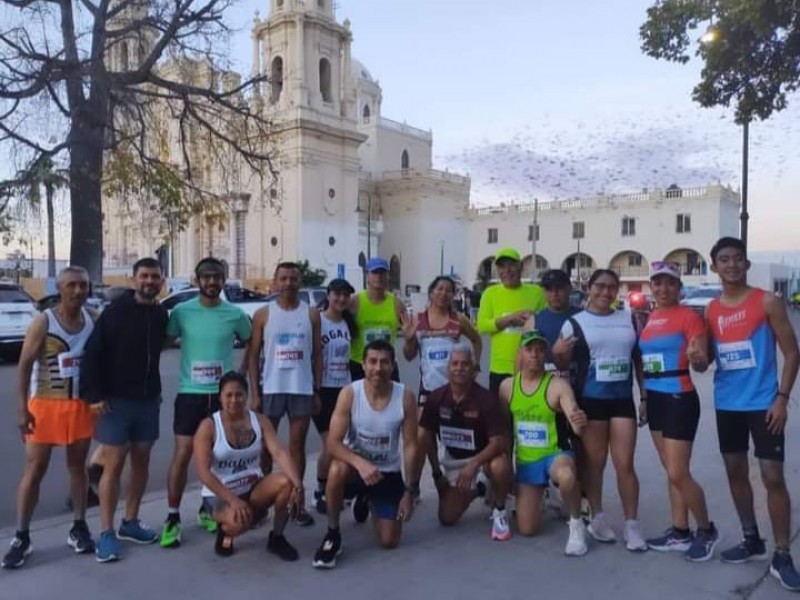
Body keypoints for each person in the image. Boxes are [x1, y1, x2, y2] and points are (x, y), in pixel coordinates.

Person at [706, 237, 800, 591]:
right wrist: (699, 357)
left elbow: (792, 352)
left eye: (738, 259)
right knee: (735, 472)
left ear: (746, 265)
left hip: (764, 404)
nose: (731, 265)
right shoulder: (711, 309)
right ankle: (751, 538)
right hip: (726, 404)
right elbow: (711, 357)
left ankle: (781, 554)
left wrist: (782, 398)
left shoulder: (767, 301)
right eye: (724, 259)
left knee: (773, 477)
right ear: (714, 266)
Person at [2, 267, 98, 569]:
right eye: (72, 285)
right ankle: (21, 536)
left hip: (80, 405)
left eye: (83, 285)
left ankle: (79, 527)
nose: (78, 291)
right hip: (44, 404)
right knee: (35, 469)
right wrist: (22, 408)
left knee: (78, 469)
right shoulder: (44, 322)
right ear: (60, 288)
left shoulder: (92, 318)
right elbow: (24, 365)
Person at [158, 257, 252, 548]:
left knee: (215, 456)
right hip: (190, 393)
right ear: (197, 280)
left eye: (217, 277)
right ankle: (172, 517)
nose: (212, 282)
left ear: (224, 279)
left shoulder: (234, 314)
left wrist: (242, 373)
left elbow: (252, 340)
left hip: (223, 397)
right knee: (184, 453)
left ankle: (206, 509)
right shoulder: (181, 312)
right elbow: (163, 341)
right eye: (207, 277)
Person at [80, 258, 169, 562]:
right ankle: (105, 532)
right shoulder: (115, 313)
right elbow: (93, 355)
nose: (149, 281)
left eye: (154, 277)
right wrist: (94, 395)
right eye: (144, 276)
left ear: (162, 281)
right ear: (134, 280)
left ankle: (129, 522)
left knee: (142, 461)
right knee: (114, 465)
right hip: (115, 402)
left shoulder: (160, 313)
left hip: (148, 401)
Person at [553, 269, 647, 552]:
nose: (605, 292)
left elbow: (638, 361)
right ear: (590, 288)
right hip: (590, 401)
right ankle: (597, 516)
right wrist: (558, 351)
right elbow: (561, 363)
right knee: (594, 464)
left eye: (611, 287)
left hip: (622, 401)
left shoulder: (629, 319)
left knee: (625, 464)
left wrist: (644, 396)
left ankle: (632, 525)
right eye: (600, 286)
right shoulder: (575, 323)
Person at [637, 261, 720, 561]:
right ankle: (680, 531)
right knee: (670, 472)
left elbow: (700, 360)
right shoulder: (651, 317)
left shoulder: (689, 317)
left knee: (678, 471)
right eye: (657, 283)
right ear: (651, 287)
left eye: (670, 283)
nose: (663, 288)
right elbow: (646, 363)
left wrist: (698, 358)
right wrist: (645, 399)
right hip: (656, 399)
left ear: (679, 287)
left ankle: (707, 530)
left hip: (679, 396)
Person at [312, 340, 419, 569]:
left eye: (384, 362)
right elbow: (332, 442)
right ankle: (333, 533)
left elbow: (411, 446)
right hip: (355, 468)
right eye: (372, 361)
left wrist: (410, 491)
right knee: (336, 468)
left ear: (393, 366)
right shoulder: (350, 394)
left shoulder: (405, 397)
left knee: (390, 541)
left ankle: (369, 500)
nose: (378, 368)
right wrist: (359, 463)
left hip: (386, 473)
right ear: (363, 364)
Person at [194, 371, 302, 559]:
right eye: (229, 395)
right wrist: (232, 500)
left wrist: (299, 485)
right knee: (239, 521)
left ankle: (277, 537)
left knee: (287, 482)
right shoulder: (209, 426)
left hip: (252, 488)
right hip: (220, 495)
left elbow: (279, 452)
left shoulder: (259, 421)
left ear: (246, 395)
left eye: (239, 394)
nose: (234, 400)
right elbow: (203, 473)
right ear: (220, 397)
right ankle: (226, 532)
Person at [499, 330, 589, 556]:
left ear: (545, 355)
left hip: (555, 455)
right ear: (520, 353)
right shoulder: (507, 387)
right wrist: (508, 467)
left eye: (540, 351)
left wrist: (578, 421)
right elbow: (505, 431)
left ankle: (576, 523)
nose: (535, 355)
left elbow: (574, 420)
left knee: (566, 477)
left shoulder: (557, 385)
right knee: (527, 529)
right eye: (529, 350)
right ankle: (543, 495)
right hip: (526, 461)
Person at [248, 261, 321, 527]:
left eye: (293, 278)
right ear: (275, 281)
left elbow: (317, 355)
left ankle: (295, 501)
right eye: (284, 278)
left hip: (301, 388)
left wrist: (316, 389)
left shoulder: (311, 314)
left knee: (296, 447)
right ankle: (262, 503)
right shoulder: (263, 314)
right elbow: (253, 357)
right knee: (266, 449)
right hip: (272, 388)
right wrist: (255, 393)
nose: (288, 282)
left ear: (299, 282)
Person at [417, 345, 512, 539]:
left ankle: (499, 510)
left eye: (465, 364)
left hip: (484, 458)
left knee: (500, 465)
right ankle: (481, 489)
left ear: (474, 369)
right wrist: (436, 474)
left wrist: (474, 464)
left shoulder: (486, 399)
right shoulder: (436, 398)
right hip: (455, 460)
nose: (459, 368)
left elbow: (499, 442)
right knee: (447, 517)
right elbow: (425, 436)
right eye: (455, 364)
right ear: (448, 368)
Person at [476, 248, 547, 401]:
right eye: (502, 266)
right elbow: (482, 326)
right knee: (501, 419)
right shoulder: (490, 293)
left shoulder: (537, 292)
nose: (507, 271)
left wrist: (532, 319)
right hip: (499, 369)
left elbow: (546, 324)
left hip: (531, 367)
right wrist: (510, 318)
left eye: (511, 265)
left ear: (521, 266)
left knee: (528, 416)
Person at [312, 278, 357, 515]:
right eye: (336, 294)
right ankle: (319, 490)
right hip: (323, 390)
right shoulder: (317, 321)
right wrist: (314, 389)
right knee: (330, 445)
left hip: (345, 389)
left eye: (345, 295)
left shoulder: (349, 322)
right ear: (328, 295)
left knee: (345, 443)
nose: (341, 299)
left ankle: (340, 486)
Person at [401, 275, 482, 407]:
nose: (444, 293)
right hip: (428, 388)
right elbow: (409, 356)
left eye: (449, 291)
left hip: (455, 388)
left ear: (452, 296)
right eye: (440, 289)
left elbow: (477, 340)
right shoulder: (418, 320)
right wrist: (409, 339)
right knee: (424, 426)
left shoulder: (459, 320)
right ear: (431, 293)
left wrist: (475, 365)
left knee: (453, 426)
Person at [349, 256, 406, 382]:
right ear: (367, 275)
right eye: (374, 272)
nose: (378, 277)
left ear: (388, 276)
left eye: (382, 273)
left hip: (387, 365)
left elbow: (409, 338)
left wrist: (410, 337)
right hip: (360, 365)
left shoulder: (397, 304)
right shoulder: (354, 302)